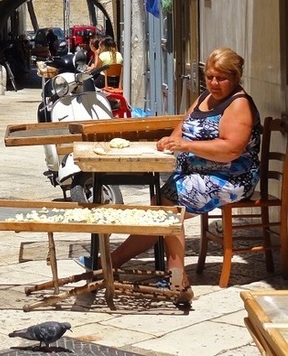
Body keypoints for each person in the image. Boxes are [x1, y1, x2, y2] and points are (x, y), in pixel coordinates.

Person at [78, 47, 262, 298]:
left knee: (168, 207)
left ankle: (178, 278)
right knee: (158, 210)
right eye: (210, 77)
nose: (214, 83)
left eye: (221, 78)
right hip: (197, 173)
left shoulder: (239, 104)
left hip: (230, 177)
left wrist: (186, 146)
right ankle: (111, 262)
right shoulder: (205, 98)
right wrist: (172, 140)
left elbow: (231, 149)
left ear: (236, 77)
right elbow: (183, 127)